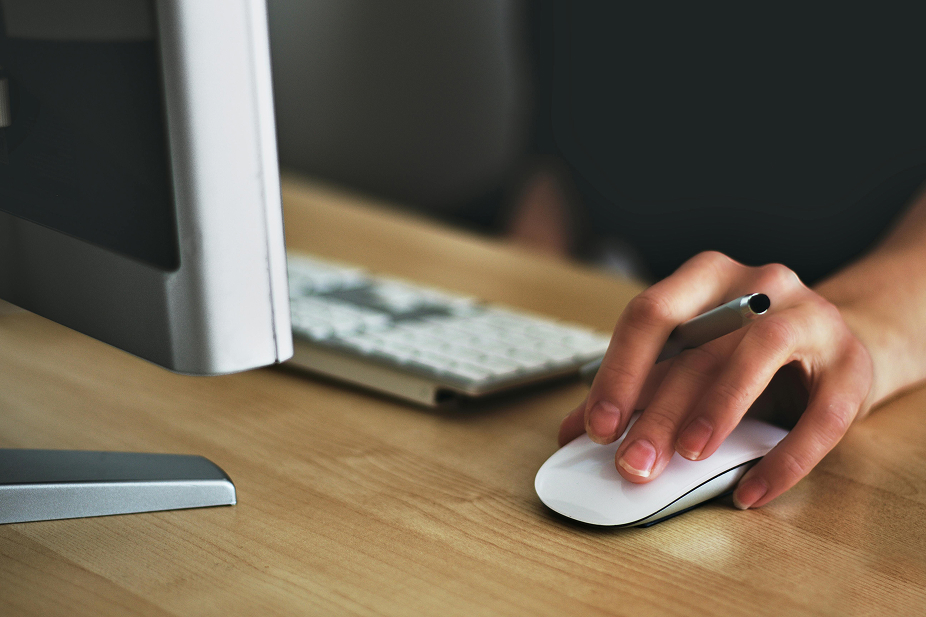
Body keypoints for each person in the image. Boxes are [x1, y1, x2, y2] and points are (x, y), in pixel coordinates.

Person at [515, 2, 926, 510]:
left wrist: (856, 330)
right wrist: (520, 308)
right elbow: (554, 154)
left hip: (853, 294)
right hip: (661, 324)